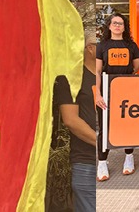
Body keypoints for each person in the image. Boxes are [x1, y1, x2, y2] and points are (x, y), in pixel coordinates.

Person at [54, 28, 98, 212]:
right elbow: (71, 120)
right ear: (90, 48)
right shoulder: (70, 79)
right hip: (87, 163)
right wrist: (104, 142)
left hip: (113, 162)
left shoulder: (109, 77)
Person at [94, 12, 139, 180]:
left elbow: (136, 66)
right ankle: (102, 163)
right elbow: (98, 71)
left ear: (124, 27)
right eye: (114, 23)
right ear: (109, 26)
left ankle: (129, 158)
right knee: (105, 128)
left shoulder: (131, 45)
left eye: (120, 23)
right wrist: (97, 93)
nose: (117, 26)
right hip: (106, 91)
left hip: (126, 91)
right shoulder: (102, 46)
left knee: (127, 125)